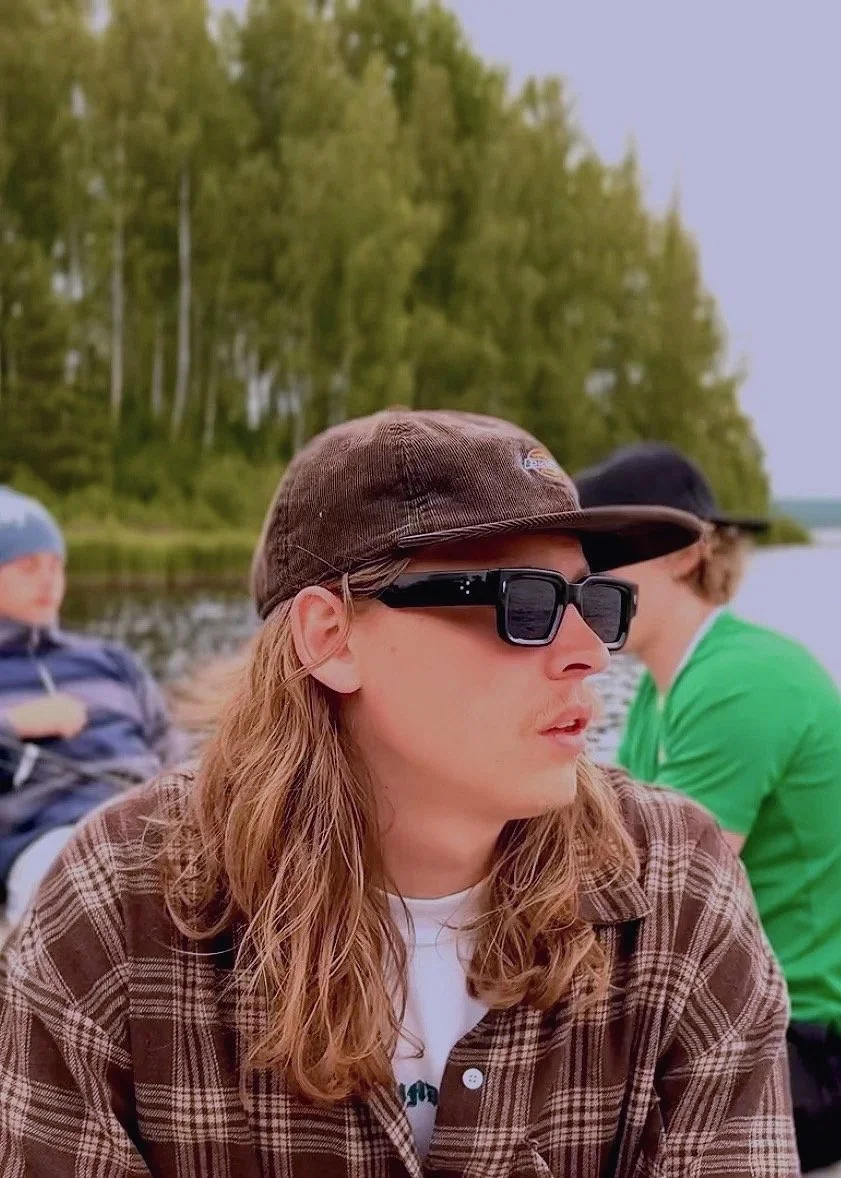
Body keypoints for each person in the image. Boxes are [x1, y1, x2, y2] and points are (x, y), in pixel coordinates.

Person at [0, 412, 799, 1177]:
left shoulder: (677, 889)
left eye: (594, 603)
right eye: (523, 603)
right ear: (330, 637)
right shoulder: (115, 908)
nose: (590, 653)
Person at [576, 440, 841, 1174]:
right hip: (738, 1019)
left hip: (805, 1044)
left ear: (687, 554)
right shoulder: (664, 689)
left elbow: (656, 897)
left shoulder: (738, 682)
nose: (583, 579)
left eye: (606, 553)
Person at [0, 486, 181, 925]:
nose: (48, 580)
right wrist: (13, 724)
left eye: (55, 565)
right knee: (100, 904)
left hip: (157, 820)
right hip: (51, 841)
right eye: (28, 567)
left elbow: (173, 746)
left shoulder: (112, 661)